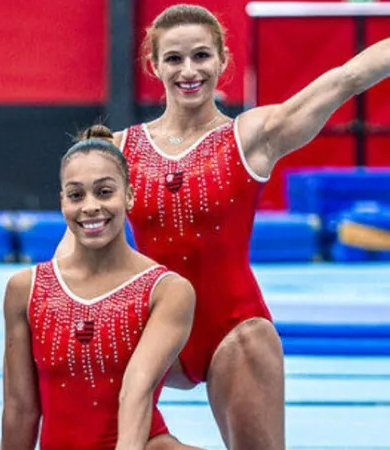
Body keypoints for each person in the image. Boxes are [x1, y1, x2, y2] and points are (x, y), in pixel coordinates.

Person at [56, 4, 390, 449]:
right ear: (154, 65)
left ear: (222, 60)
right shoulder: (118, 150)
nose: (189, 71)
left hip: (233, 329)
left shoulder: (253, 136)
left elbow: (347, 77)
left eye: (201, 56)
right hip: (149, 332)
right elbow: (71, 258)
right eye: (174, 59)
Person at [2, 127, 197, 450]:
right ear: (62, 201)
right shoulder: (26, 289)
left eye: (104, 192)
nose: (90, 206)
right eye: (77, 195)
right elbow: (20, 408)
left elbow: (137, 389)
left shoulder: (166, 291)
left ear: (130, 195)